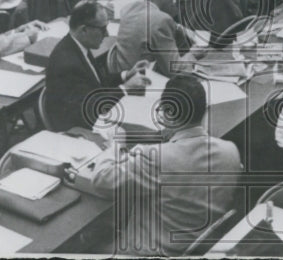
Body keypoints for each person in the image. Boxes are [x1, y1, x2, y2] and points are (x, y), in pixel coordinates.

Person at [90, 74, 241, 256]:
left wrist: (116, 143)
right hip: (197, 247)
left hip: (148, 252)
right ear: (205, 110)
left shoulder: (155, 158)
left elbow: (100, 179)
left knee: (87, 243)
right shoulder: (231, 151)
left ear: (168, 113)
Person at [44, 0, 151, 131]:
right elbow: (91, 107)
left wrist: (126, 75)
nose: (106, 34)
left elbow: (97, 83)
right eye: (103, 29)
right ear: (84, 30)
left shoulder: (78, 46)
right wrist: (125, 88)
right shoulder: (67, 63)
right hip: (78, 128)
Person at [108, 0, 197, 77]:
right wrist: (194, 54)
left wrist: (176, 26)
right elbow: (175, 70)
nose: (174, 2)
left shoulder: (128, 9)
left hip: (125, 74)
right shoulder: (161, 20)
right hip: (146, 81)